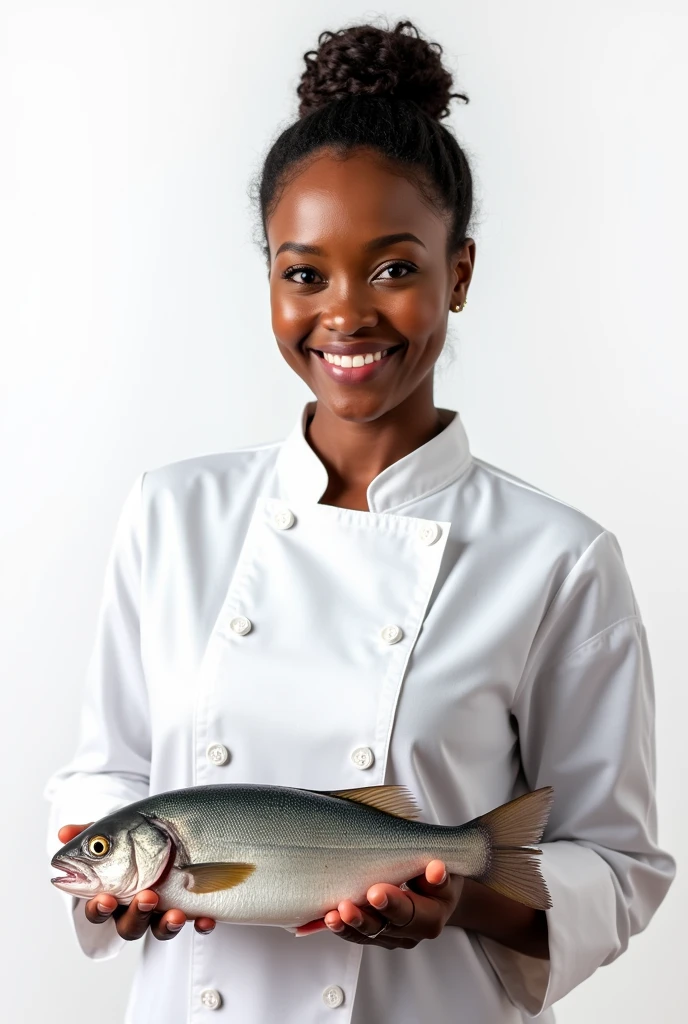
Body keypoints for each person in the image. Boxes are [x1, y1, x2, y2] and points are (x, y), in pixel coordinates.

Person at [44, 18, 675, 1024]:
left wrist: (462, 898)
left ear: (456, 273)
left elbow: (617, 864)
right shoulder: (174, 512)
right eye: (305, 272)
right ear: (269, 280)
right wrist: (119, 876)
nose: (346, 313)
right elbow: (110, 766)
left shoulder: (557, 559)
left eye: (392, 268)